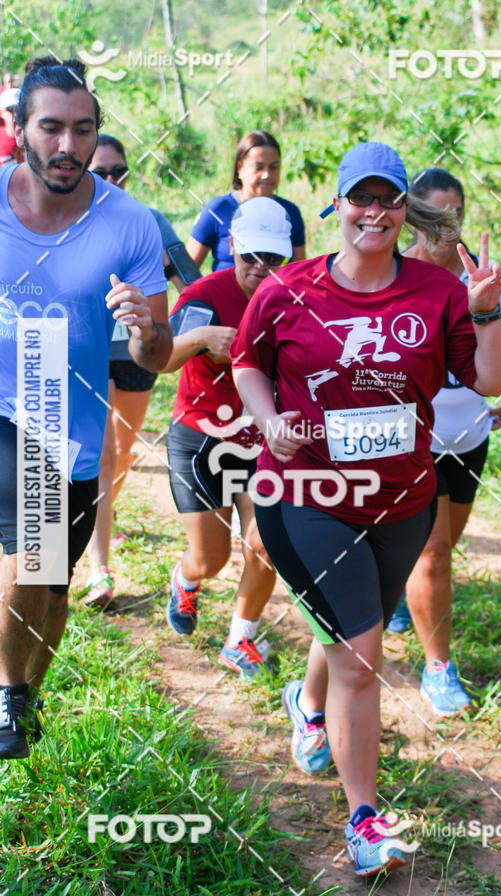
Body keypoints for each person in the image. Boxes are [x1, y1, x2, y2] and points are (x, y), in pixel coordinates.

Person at [230, 142, 501, 877]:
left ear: (402, 210)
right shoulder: (287, 289)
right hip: (307, 495)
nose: (373, 213)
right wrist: (266, 421)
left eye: (387, 200)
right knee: (363, 656)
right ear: (337, 206)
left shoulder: (437, 290)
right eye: (359, 199)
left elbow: (490, 381)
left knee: (347, 646)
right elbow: (245, 359)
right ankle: (364, 821)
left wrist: (485, 313)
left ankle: (307, 696)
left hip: (403, 503)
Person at [0, 56, 171, 760]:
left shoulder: (129, 223)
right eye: (51, 129)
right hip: (9, 416)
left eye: (82, 130)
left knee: (52, 584)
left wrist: (143, 331)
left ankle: (26, 694)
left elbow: (158, 353)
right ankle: (8, 696)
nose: (67, 146)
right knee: (24, 550)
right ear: (17, 130)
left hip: (69, 420)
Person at [387, 168, 501, 716]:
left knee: (446, 545)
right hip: (412, 442)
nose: (447, 229)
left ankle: (402, 591)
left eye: (455, 216)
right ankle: (438, 667)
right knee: (435, 552)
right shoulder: (395, 275)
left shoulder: (485, 277)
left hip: (468, 436)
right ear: (414, 217)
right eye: (434, 216)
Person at [163, 197, 293, 677]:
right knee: (210, 558)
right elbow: (164, 357)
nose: (261, 268)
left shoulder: (292, 296)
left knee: (267, 543)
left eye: (273, 259)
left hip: (261, 441)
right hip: (202, 436)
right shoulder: (204, 294)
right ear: (232, 246)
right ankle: (185, 578)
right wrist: (202, 339)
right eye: (250, 257)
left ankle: (240, 639)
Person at [84, 134, 199, 608]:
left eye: (120, 172)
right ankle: (99, 571)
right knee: (104, 453)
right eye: (102, 171)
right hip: (89, 351)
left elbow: (190, 280)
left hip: (141, 348)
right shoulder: (69, 221)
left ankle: (98, 518)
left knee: (124, 451)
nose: (113, 180)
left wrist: (194, 332)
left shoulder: (146, 220)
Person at [185, 129, 305, 272]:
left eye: (274, 167)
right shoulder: (218, 210)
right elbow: (187, 271)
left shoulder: (290, 213)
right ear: (240, 168)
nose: (267, 175)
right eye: (258, 167)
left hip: (275, 294)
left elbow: (300, 273)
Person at [0, 88, 24, 166]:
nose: (16, 114)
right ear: (1, 113)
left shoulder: (31, 137)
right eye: (11, 110)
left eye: (20, 109)